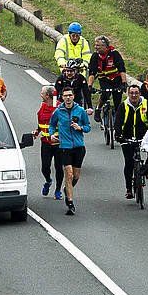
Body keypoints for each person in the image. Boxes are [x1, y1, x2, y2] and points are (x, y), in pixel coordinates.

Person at [48, 87, 90, 215]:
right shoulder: (58, 111)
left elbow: (88, 127)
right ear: (62, 97)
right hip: (65, 147)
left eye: (70, 95)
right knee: (69, 174)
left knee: (76, 176)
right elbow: (51, 124)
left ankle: (67, 188)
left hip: (79, 147)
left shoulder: (80, 111)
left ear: (73, 96)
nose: (67, 98)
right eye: (65, 95)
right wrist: (51, 134)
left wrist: (80, 127)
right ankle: (70, 203)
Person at [115, 83, 148, 199]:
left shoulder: (146, 104)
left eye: (136, 93)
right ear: (128, 94)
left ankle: (146, 169)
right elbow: (118, 122)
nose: (134, 95)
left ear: (140, 93)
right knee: (129, 162)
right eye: (131, 93)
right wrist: (118, 135)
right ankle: (128, 189)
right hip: (127, 136)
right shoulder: (123, 106)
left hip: (144, 136)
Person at [87, 35, 127, 131]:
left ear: (105, 47)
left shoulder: (114, 54)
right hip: (104, 79)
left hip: (116, 79)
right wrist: (89, 85)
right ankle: (98, 109)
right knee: (105, 94)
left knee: (117, 101)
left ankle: (118, 124)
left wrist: (124, 83)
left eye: (98, 46)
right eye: (95, 45)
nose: (96, 47)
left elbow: (122, 69)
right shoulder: (95, 56)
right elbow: (92, 72)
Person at [34, 86, 64, 199]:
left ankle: (58, 190)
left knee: (58, 167)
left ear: (48, 95)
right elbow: (42, 121)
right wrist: (37, 131)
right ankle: (48, 181)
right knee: (45, 167)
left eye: (42, 93)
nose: (40, 95)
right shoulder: (42, 105)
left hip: (58, 143)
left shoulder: (60, 107)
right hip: (45, 142)